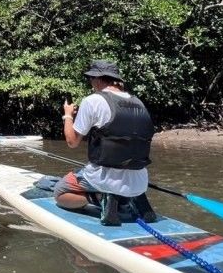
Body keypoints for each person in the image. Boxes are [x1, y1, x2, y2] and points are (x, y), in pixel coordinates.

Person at [53, 60, 157, 226]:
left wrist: (67, 115)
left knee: (60, 192)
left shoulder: (92, 100)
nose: (91, 83)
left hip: (104, 180)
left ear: (98, 79)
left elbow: (72, 142)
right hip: (139, 181)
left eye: (91, 79)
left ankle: (102, 197)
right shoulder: (138, 102)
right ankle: (127, 198)